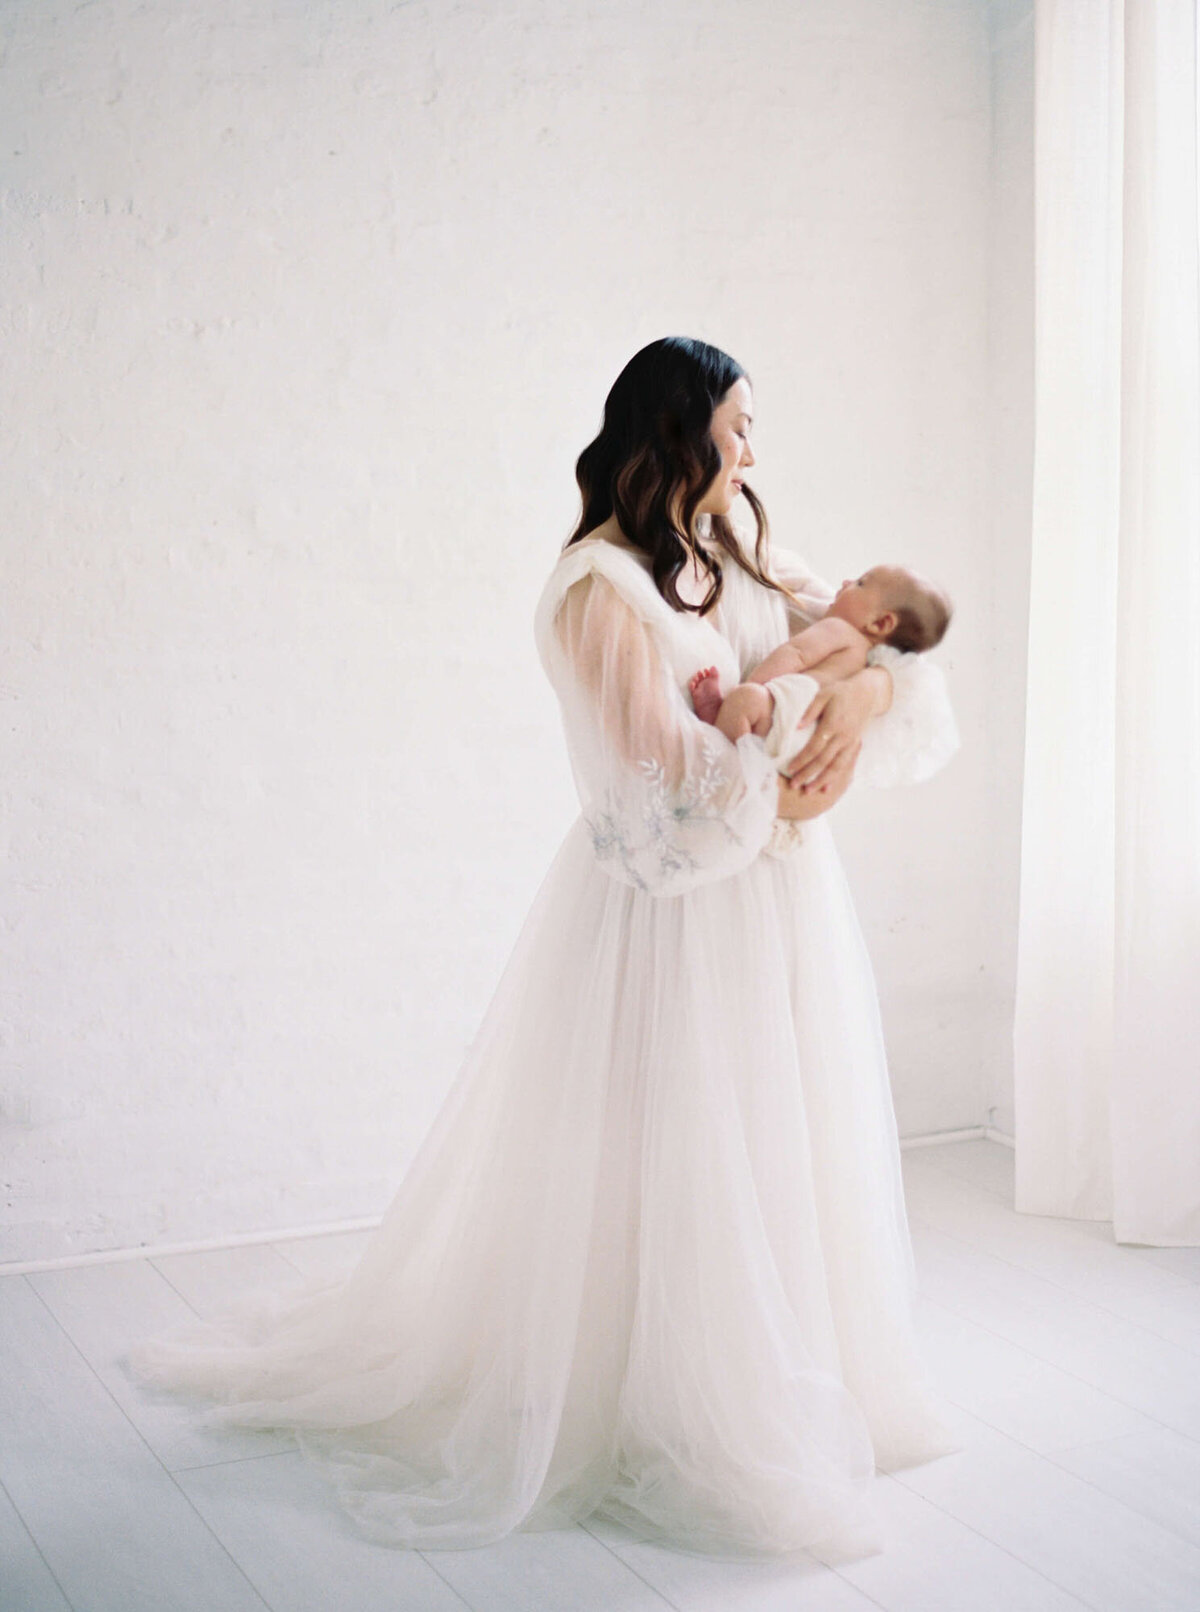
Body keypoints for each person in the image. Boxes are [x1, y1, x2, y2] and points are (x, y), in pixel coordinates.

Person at [124, 336, 962, 1565]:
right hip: (667, 917)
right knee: (669, 1149)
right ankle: (651, 1400)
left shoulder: (745, 551)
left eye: (750, 428)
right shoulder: (598, 592)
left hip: (778, 908)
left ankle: (778, 1375)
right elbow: (656, 794)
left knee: (773, 1136)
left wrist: (865, 697)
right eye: (734, 427)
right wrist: (782, 770)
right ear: (674, 435)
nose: (750, 450)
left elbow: (890, 653)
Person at [688, 562, 954, 783]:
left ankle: (719, 721)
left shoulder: (838, 629)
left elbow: (794, 654)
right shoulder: (873, 665)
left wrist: (753, 684)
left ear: (881, 622)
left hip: (784, 717)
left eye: (861, 584)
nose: (846, 583)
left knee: (746, 700)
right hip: (804, 748)